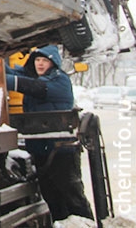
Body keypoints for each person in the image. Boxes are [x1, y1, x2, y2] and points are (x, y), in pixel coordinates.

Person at [6, 45, 94, 221]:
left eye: (44, 60)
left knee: (72, 196)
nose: (40, 63)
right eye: (37, 60)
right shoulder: (37, 77)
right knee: (52, 199)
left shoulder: (59, 80)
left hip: (61, 151)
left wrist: (2, 78)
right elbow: (17, 74)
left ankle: (86, 223)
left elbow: (34, 87)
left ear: (53, 63)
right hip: (42, 150)